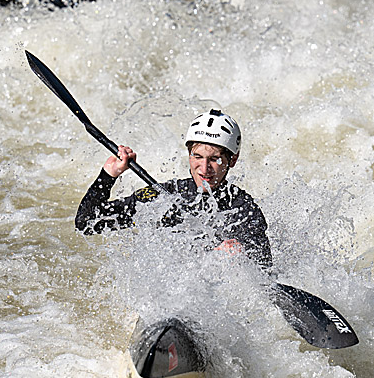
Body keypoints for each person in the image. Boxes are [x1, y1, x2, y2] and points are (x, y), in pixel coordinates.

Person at [75, 107, 273, 268]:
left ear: (233, 160)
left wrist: (244, 259)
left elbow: (265, 272)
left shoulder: (244, 210)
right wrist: (108, 175)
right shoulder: (166, 196)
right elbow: (87, 222)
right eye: (197, 157)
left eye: (214, 159)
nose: (204, 169)